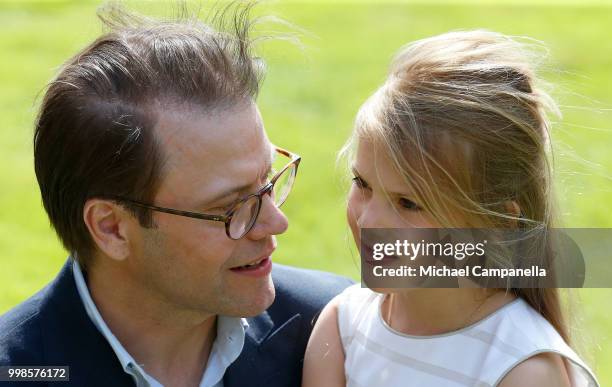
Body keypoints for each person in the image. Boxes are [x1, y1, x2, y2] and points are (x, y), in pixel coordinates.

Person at [0, 4, 351, 387]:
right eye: (230, 207)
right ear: (112, 227)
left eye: (267, 181)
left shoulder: (338, 331)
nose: (275, 222)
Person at [303, 30, 599, 387]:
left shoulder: (520, 369)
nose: (369, 220)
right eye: (362, 184)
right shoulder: (343, 326)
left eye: (409, 203)